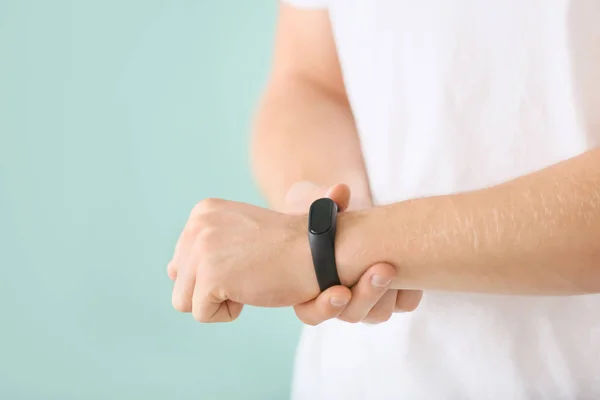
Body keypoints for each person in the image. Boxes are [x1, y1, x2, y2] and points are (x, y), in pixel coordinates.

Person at [167, 1, 600, 398]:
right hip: (364, 375)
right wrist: (325, 202)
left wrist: (333, 248)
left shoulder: (337, 251)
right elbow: (310, 80)